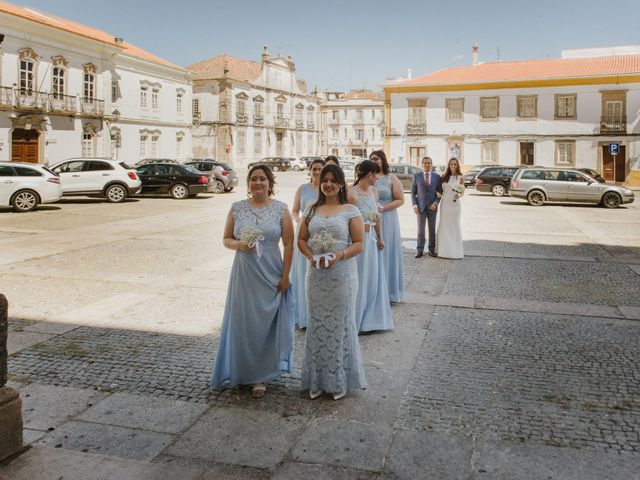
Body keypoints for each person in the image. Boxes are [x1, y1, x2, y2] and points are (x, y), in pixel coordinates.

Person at [210, 165, 295, 399]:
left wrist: (286, 276)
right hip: (244, 274)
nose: (258, 182)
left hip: (271, 272)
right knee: (244, 322)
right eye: (254, 179)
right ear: (249, 184)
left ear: (270, 183)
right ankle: (242, 370)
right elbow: (226, 239)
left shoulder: (281, 209)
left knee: (265, 324)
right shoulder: (236, 209)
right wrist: (240, 245)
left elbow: (289, 243)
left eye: (262, 179)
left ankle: (261, 375)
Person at [298, 164, 366, 400]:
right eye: (324, 179)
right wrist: (311, 257)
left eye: (333, 180)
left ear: (340, 184)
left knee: (339, 325)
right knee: (317, 325)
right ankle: (316, 381)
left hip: (342, 276)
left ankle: (338, 381)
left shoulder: (351, 210)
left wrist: (338, 255)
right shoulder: (310, 208)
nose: (328, 184)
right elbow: (301, 240)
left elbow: (359, 243)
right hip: (316, 276)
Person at [351, 160, 394, 332]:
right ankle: (356, 318)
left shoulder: (373, 192)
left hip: (372, 241)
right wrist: (361, 227)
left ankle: (370, 318)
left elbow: (376, 216)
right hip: (358, 241)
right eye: (375, 174)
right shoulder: (351, 193)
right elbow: (346, 218)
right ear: (369, 174)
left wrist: (381, 237)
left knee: (372, 278)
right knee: (359, 277)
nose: (377, 178)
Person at [290, 158, 324, 328]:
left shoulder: (326, 189)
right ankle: (301, 313)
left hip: (320, 233)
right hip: (303, 232)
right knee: (301, 271)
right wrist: (299, 220)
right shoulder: (302, 189)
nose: (317, 172)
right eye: (314, 169)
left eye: (319, 169)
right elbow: (295, 210)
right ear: (309, 171)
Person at [371, 150, 405, 303]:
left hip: (387, 218)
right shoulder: (368, 178)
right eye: (371, 159)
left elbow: (400, 200)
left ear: (383, 160)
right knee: (373, 254)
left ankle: (389, 291)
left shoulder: (392, 178)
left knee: (387, 252)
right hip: (371, 220)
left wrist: (383, 208)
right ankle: (374, 290)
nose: (373, 161)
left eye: (376, 159)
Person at [411, 157, 443, 258]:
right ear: (422, 164)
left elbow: (440, 192)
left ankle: (431, 250)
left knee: (432, 229)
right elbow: (413, 192)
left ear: (431, 164)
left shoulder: (437, 177)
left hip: (432, 207)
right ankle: (419, 250)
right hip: (420, 207)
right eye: (425, 163)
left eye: (429, 163)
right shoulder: (417, 176)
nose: (427, 165)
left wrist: (436, 203)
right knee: (420, 230)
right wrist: (414, 205)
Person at [436, 158, 464, 259]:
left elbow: (462, 192)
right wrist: (438, 193)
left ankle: (454, 251)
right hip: (445, 204)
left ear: (457, 166)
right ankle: (443, 251)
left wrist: (458, 195)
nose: (453, 166)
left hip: (454, 205)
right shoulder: (444, 177)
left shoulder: (460, 177)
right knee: (444, 225)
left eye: (455, 164)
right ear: (449, 165)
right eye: (451, 164)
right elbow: (440, 189)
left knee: (454, 226)